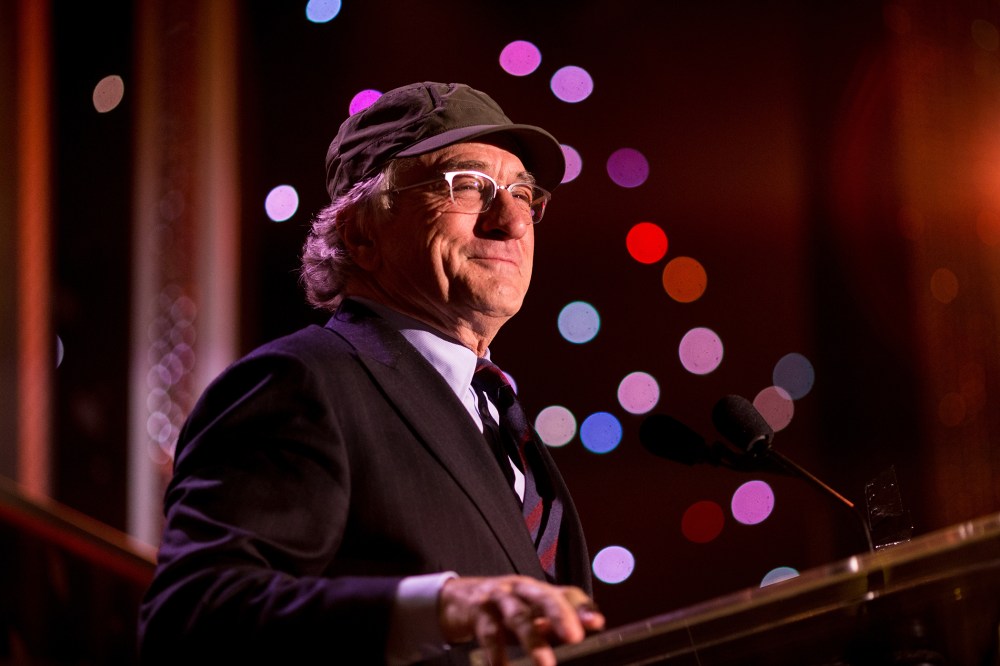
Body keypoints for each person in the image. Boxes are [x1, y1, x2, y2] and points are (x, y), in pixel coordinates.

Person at [138, 81, 604, 666]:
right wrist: (442, 607)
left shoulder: (501, 419)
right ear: (360, 230)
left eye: (522, 193)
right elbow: (193, 618)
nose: (512, 220)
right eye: (467, 186)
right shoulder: (301, 384)